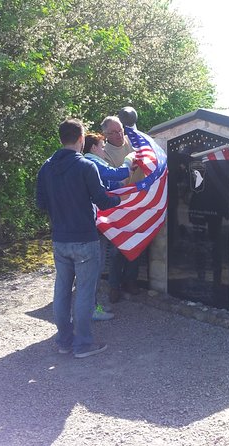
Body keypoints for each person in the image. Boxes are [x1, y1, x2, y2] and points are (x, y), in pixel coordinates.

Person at [36, 118, 121, 358]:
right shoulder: (86, 166)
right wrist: (121, 199)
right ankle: (83, 344)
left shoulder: (46, 167)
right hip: (85, 238)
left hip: (59, 239)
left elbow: (40, 203)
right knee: (84, 291)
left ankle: (64, 342)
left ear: (61, 138)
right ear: (81, 139)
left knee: (62, 290)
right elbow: (102, 200)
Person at [83, 132, 137, 320]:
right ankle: (90, 309)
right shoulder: (92, 162)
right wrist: (129, 161)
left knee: (91, 269)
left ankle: (89, 307)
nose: (104, 148)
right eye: (101, 145)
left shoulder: (93, 163)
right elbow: (115, 174)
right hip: (95, 223)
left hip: (95, 223)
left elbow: (112, 183)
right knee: (93, 268)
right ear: (93, 148)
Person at [100, 116, 143, 302]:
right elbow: (112, 178)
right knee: (118, 247)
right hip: (119, 203)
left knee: (139, 243)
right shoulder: (104, 152)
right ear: (105, 134)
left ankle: (131, 281)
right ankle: (114, 286)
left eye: (120, 131)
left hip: (139, 200)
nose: (118, 135)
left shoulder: (133, 142)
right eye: (113, 132)